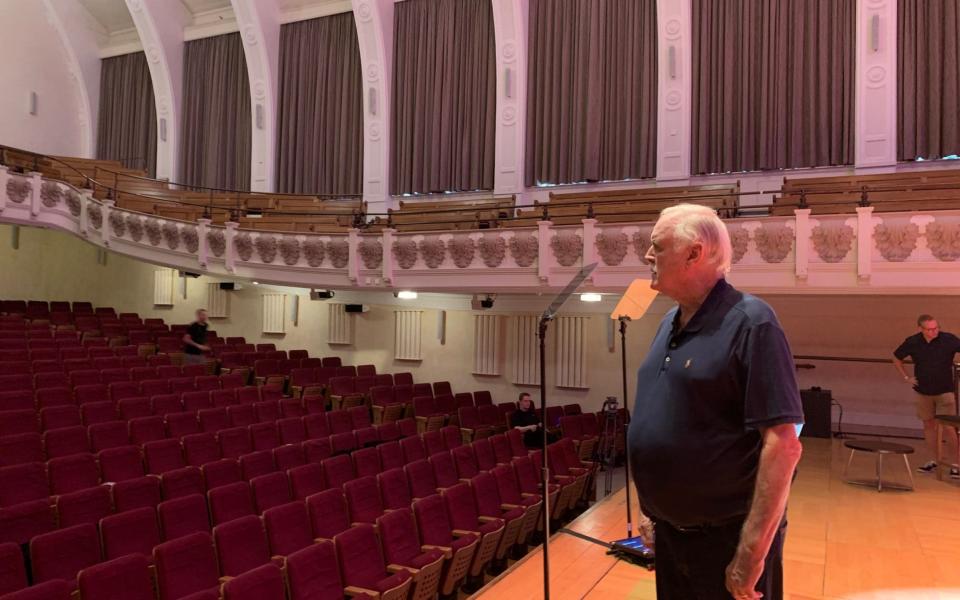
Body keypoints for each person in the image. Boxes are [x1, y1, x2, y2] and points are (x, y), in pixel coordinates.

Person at [628, 204, 804, 600]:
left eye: (657, 245)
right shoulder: (667, 322)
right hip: (672, 539)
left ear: (694, 253)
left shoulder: (752, 322)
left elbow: (783, 444)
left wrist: (752, 554)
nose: (647, 255)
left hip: (726, 542)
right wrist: (652, 511)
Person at [893, 315, 960, 479]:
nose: (934, 331)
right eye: (930, 329)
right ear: (921, 329)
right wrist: (906, 377)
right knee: (928, 425)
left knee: (949, 427)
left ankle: (956, 463)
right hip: (923, 391)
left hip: (945, 390)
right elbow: (896, 357)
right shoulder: (913, 342)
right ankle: (935, 459)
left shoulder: (948, 339)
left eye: (936, 328)